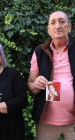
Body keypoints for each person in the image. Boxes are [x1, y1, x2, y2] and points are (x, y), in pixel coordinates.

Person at [28, 11, 75, 140]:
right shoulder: (40, 52)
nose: (58, 26)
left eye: (62, 21)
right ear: (49, 30)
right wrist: (36, 85)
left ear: (69, 27)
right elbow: (31, 84)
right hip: (46, 122)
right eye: (53, 23)